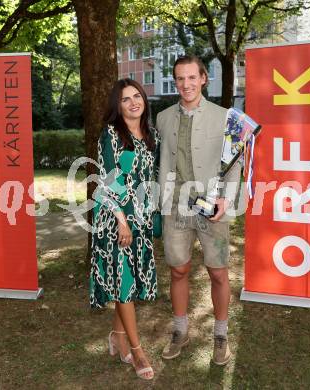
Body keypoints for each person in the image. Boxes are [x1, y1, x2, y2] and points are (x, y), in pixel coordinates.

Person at [156, 55, 241, 365]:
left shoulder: (225, 117)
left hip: (212, 208)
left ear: (204, 78)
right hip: (176, 206)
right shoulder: (163, 118)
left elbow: (235, 160)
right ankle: (180, 330)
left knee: (218, 272)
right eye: (180, 78)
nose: (186, 84)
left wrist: (226, 199)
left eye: (192, 77)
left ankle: (221, 335)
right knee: (178, 269)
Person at [90, 78, 160, 380]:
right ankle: (137, 349)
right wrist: (122, 219)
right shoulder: (111, 134)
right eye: (125, 99)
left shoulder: (150, 133)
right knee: (125, 282)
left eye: (137, 96)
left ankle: (117, 336)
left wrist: (150, 215)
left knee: (127, 282)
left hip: (141, 218)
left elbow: (150, 177)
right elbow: (107, 179)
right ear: (117, 107)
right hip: (114, 219)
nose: (133, 102)